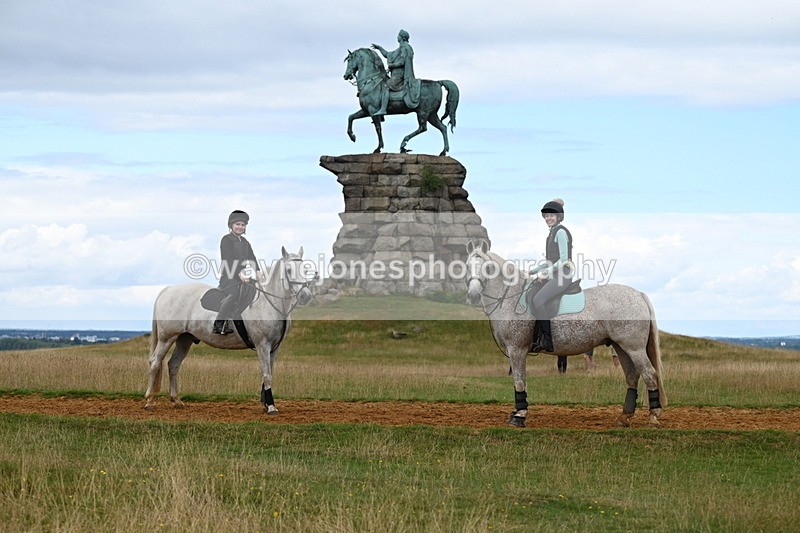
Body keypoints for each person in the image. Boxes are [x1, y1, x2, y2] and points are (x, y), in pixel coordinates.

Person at [529, 198, 574, 353]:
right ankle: (536, 338)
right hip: (554, 274)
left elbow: (563, 259)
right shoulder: (551, 233)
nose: (548, 218)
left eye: (551, 215)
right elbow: (550, 261)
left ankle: (548, 341)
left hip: (563, 275)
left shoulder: (560, 232)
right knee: (530, 294)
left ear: (559, 216)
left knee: (538, 300)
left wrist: (546, 273)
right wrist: (531, 271)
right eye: (546, 216)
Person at [213, 210, 263, 335]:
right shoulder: (226, 240)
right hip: (229, 277)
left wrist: (257, 270)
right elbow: (228, 259)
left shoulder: (245, 242)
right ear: (231, 225)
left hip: (243, 277)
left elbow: (252, 257)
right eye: (237, 224)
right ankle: (218, 324)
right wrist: (239, 273)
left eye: (243, 225)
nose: (240, 227)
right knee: (235, 294)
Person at [371, 29, 421, 115]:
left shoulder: (405, 48)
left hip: (400, 76)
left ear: (402, 37)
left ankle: (383, 109)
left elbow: (402, 62)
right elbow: (388, 54)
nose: (397, 37)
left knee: (385, 86)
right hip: (396, 75)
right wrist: (380, 48)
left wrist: (392, 65)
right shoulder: (400, 48)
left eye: (398, 35)